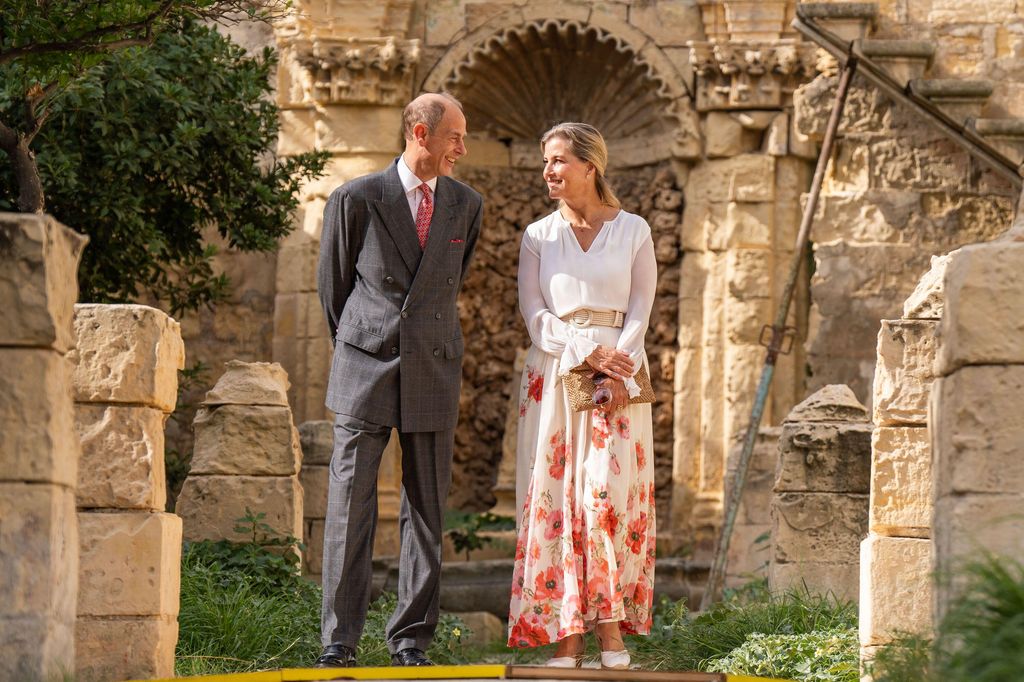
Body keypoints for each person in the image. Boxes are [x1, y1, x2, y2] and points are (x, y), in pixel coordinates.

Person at [314, 92, 482, 668]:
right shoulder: (356, 197)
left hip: (433, 367)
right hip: (365, 367)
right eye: (454, 136)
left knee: (427, 511)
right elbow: (334, 292)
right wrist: (368, 341)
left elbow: (445, 284)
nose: (462, 147)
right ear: (420, 132)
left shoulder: (467, 205)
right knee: (349, 507)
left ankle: (410, 642)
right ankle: (339, 642)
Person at [507, 122, 657, 670]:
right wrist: (585, 353)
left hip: (621, 371)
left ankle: (612, 634)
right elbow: (534, 312)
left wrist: (617, 368)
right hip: (556, 373)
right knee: (559, 498)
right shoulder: (537, 236)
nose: (549, 171)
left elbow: (641, 306)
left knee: (606, 498)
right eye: (546, 161)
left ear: (590, 166)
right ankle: (567, 640)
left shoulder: (634, 230)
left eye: (559, 160)